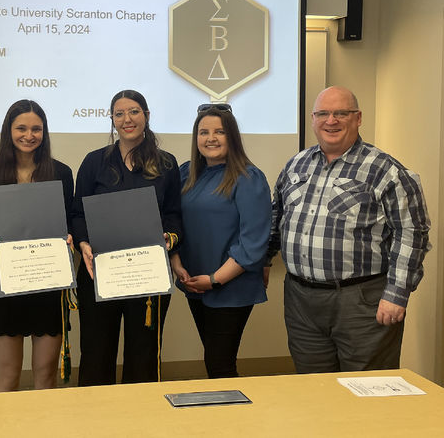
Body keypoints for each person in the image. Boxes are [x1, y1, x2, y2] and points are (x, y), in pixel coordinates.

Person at [269, 86, 430, 373]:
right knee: (312, 386)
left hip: (361, 302)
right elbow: (277, 215)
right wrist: (264, 261)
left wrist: (396, 294)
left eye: (341, 113)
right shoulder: (296, 164)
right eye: (323, 114)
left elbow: (411, 233)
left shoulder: (386, 169)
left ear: (357, 118)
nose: (331, 121)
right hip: (301, 300)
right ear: (313, 119)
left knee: (367, 389)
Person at [71, 89, 182, 386]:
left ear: (146, 115)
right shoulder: (94, 162)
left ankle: (142, 423)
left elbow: (174, 215)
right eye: (119, 113)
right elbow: (77, 213)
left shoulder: (167, 164)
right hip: (99, 272)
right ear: (112, 120)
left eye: (134, 111)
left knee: (143, 355)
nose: (127, 119)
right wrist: (83, 243)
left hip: (147, 273)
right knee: (96, 353)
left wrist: (169, 238)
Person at [0, 100, 74, 392]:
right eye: (21, 128)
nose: (29, 135)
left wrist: (68, 237)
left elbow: (68, 223)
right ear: (9, 130)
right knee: (8, 377)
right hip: (6, 287)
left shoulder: (61, 174)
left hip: (48, 285)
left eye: (36, 129)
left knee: (46, 377)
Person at [170, 104, 271, 379]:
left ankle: (231, 421)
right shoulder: (185, 173)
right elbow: (172, 222)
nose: (210, 138)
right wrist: (176, 263)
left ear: (233, 137)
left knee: (220, 364)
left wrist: (215, 279)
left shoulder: (249, 178)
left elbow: (253, 242)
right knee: (213, 360)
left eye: (219, 132)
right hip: (194, 283)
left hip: (230, 287)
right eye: (204, 132)